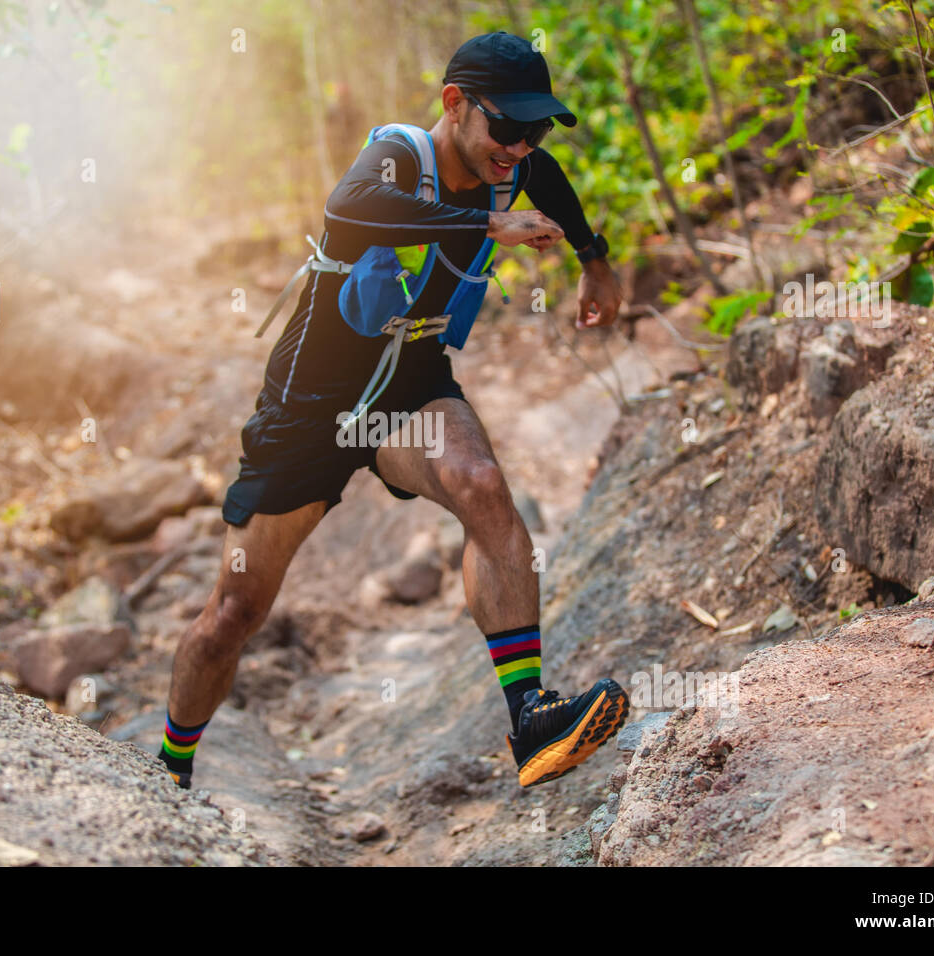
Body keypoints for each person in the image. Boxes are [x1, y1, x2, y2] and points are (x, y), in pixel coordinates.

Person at [159, 31, 629, 791]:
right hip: (310, 406)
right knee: (233, 614)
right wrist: (486, 226)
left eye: (535, 129)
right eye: (507, 127)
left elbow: (555, 184)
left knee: (480, 481)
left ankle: (531, 719)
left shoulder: (512, 164)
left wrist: (594, 258)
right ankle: (171, 769)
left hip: (410, 386)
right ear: (455, 104)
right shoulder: (399, 156)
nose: (520, 147)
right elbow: (350, 206)